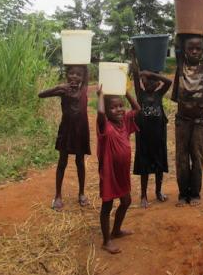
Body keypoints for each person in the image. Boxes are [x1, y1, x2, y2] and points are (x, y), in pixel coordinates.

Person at [96, 84, 141, 254]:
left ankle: (116, 230)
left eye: (120, 106)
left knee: (126, 201)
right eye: (113, 108)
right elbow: (99, 113)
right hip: (109, 173)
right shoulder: (104, 125)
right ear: (106, 111)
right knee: (107, 206)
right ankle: (106, 241)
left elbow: (137, 108)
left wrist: (126, 91)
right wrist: (100, 95)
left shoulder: (125, 122)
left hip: (122, 173)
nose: (119, 110)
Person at [38, 65, 90, 210]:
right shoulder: (63, 90)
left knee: (80, 162)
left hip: (81, 132)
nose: (74, 76)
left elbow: (86, 69)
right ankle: (58, 196)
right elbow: (41, 94)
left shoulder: (84, 88)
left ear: (82, 77)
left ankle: (81, 193)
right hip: (66, 131)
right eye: (71, 73)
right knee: (62, 162)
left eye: (78, 74)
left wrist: (82, 56)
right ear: (66, 75)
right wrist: (58, 87)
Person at [171, 34, 203, 207]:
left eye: (198, 48)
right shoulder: (181, 63)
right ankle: (182, 194)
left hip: (199, 121)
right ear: (184, 50)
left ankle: (195, 193)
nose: (194, 51)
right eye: (190, 48)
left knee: (197, 157)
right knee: (181, 158)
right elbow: (178, 37)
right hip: (182, 120)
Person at [131, 53, 171, 208]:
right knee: (144, 167)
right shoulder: (140, 95)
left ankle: (158, 191)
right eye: (146, 79)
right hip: (143, 137)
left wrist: (151, 74)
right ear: (141, 81)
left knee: (159, 165)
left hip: (159, 136)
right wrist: (134, 57)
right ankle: (143, 195)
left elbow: (169, 81)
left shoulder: (159, 94)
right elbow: (135, 74)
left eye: (154, 79)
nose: (150, 81)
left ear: (158, 83)